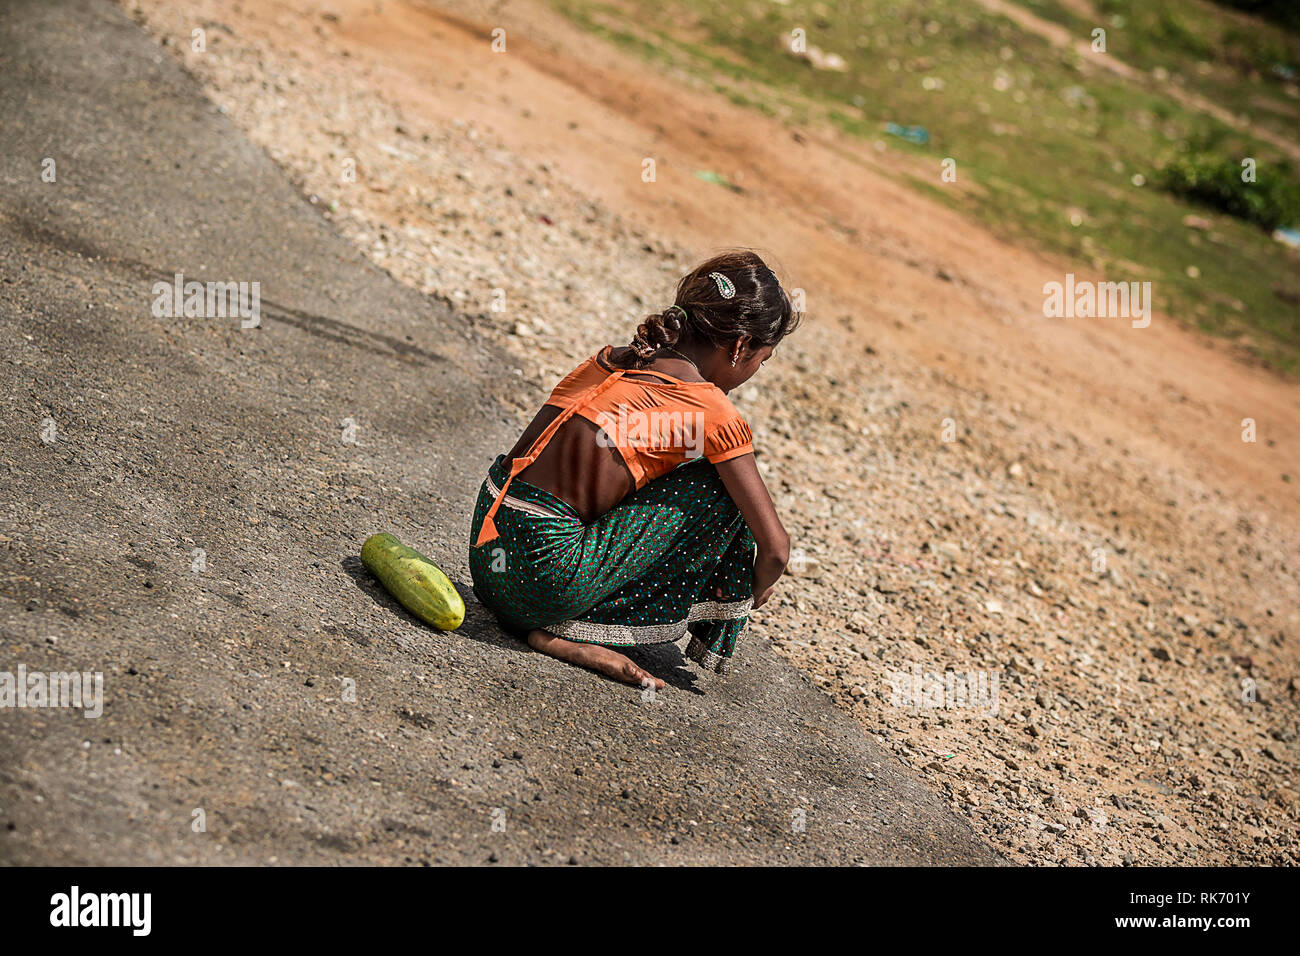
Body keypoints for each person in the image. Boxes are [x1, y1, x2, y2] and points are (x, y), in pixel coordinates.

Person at [469, 250, 799, 688]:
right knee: (722, 488)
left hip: (487, 555)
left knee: (656, 472)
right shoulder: (713, 412)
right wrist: (744, 592)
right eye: (762, 359)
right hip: (540, 582)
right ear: (740, 347)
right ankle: (560, 628)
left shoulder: (611, 358)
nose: (754, 370)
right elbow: (776, 549)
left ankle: (548, 620)